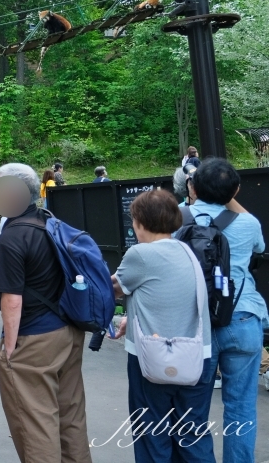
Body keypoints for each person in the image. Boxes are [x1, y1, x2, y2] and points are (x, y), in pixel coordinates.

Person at [0, 163, 91, 463]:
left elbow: (12, 300)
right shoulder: (49, 221)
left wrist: (10, 351)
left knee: (35, 425)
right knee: (70, 417)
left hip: (33, 341)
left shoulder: (11, 238)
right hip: (68, 332)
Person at [112, 189, 214, 462]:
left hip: (154, 361)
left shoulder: (141, 254)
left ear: (139, 222)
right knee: (192, 436)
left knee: (152, 435)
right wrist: (129, 316)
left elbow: (112, 288)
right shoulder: (186, 249)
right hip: (197, 357)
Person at [185, 159, 268, 461]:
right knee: (242, 406)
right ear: (235, 189)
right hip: (242, 318)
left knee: (192, 408)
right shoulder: (247, 223)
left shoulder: (176, 219)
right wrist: (230, 197)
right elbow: (259, 249)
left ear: (192, 187)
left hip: (195, 325)